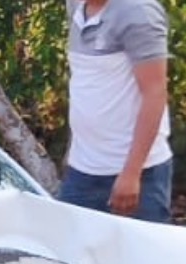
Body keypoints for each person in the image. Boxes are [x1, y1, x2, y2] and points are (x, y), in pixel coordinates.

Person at [58, 0, 173, 222]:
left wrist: (131, 174)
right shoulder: (76, 6)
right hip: (81, 173)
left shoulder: (138, 13)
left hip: (136, 176)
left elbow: (155, 94)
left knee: (138, 255)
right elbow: (87, 86)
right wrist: (72, 154)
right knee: (73, 253)